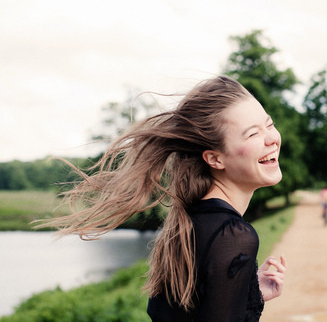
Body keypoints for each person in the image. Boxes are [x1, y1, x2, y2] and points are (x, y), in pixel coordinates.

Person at [41, 76, 287, 321]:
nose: (272, 138)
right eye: (253, 134)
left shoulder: (189, 222)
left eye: (269, 124)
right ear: (215, 158)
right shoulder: (232, 235)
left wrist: (248, 295)